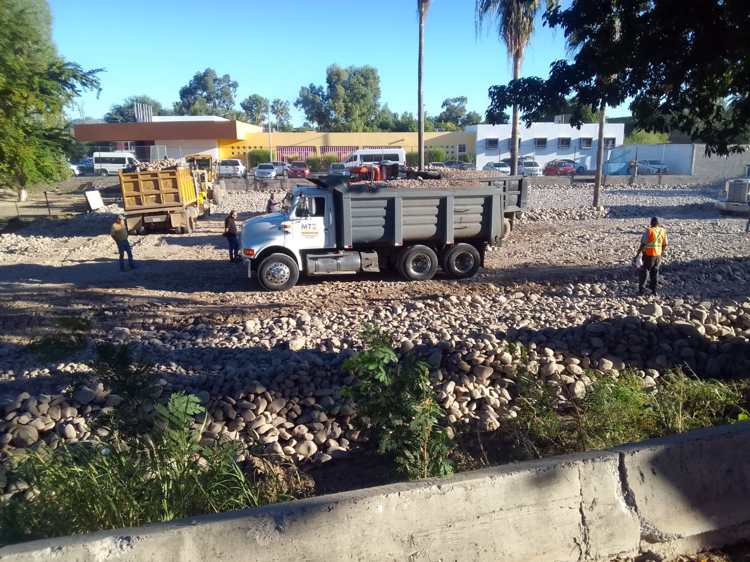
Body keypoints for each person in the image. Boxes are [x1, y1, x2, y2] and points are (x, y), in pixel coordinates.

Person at [634, 216, 668, 296]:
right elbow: (665, 244)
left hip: (649, 255)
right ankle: (654, 291)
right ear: (658, 223)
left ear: (651, 223)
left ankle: (641, 290)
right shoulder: (662, 231)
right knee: (655, 272)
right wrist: (661, 252)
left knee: (645, 271)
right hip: (658, 256)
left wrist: (637, 254)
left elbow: (643, 244)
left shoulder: (649, 231)